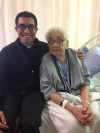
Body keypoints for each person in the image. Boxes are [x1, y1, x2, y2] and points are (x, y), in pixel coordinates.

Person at [0, 11, 85, 133]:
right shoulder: (6, 52)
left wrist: (76, 53)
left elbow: (61, 49)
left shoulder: (45, 48)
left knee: (31, 123)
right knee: (5, 123)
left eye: (30, 26)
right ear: (16, 29)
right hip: (12, 92)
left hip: (34, 92)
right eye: (22, 26)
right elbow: (1, 80)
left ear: (36, 29)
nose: (26, 30)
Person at [40, 27, 100, 133]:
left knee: (96, 116)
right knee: (72, 124)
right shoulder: (45, 60)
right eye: (51, 41)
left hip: (79, 94)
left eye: (60, 40)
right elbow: (48, 90)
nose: (55, 44)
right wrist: (71, 108)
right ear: (48, 44)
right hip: (59, 98)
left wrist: (86, 102)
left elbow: (85, 81)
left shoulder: (76, 55)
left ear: (67, 43)